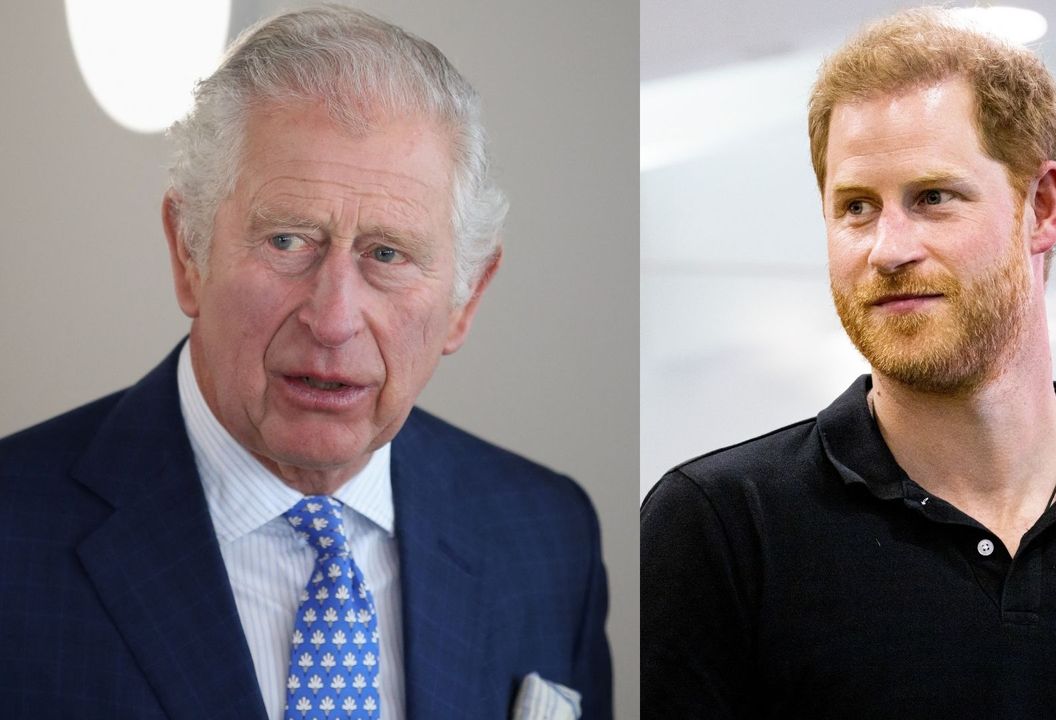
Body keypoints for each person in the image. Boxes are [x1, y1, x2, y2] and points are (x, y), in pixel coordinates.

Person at [641, 8, 1056, 719]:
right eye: (855, 207)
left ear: (1041, 206)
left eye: (932, 198)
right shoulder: (721, 526)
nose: (888, 248)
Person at [0, 6, 609, 719]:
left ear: (465, 300)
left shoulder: (546, 534)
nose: (333, 318)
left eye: (387, 254)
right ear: (188, 252)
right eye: (289, 241)